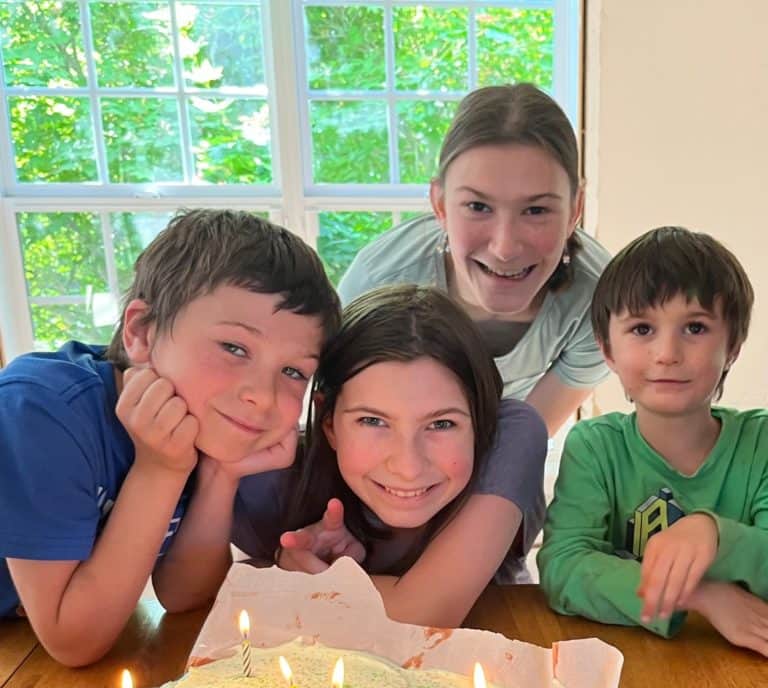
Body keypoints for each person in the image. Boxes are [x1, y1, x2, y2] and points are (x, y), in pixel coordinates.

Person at [0, 209, 340, 666]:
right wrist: (161, 468)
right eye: (235, 348)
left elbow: (182, 595)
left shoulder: (197, 420)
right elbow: (72, 640)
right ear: (141, 331)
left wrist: (222, 474)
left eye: (294, 371)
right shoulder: (42, 409)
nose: (262, 396)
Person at [234, 284, 548, 627]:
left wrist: (305, 583)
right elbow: (211, 596)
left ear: (480, 420)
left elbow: (422, 614)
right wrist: (284, 561)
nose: (408, 467)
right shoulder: (271, 478)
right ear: (329, 423)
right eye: (372, 421)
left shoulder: (509, 434)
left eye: (441, 424)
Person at [538, 226, 768, 655]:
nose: (667, 353)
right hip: (629, 666)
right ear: (607, 350)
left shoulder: (761, 443)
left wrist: (714, 535)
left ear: (732, 344)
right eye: (642, 329)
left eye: (695, 328)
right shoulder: (595, 447)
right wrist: (699, 594)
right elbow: (561, 567)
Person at [338, 83, 611, 436]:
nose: (504, 247)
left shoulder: (600, 304)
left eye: (536, 210)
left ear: (575, 209)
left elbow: (517, 445)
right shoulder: (375, 283)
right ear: (440, 204)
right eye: (478, 207)